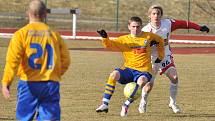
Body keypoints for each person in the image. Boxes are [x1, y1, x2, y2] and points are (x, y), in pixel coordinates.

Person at [1, 0, 70, 120]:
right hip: (50, 83)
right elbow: (66, 60)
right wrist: (55, 74)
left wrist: (6, 82)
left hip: (28, 83)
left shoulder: (20, 34)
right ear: (45, 14)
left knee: (24, 117)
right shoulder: (54, 35)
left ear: (28, 13)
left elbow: (13, 61)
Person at [141, 4, 210, 113]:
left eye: (158, 13)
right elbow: (142, 49)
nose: (156, 16)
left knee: (174, 77)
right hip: (152, 60)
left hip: (165, 57)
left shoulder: (167, 23)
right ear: (149, 16)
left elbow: (184, 24)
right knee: (149, 86)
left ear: (161, 15)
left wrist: (199, 27)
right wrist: (150, 45)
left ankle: (172, 103)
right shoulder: (145, 31)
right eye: (153, 13)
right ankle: (143, 101)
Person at [96, 16, 165, 117]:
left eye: (138, 26)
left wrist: (160, 57)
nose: (136, 29)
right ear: (129, 27)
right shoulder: (124, 39)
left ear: (141, 26)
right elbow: (109, 45)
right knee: (113, 75)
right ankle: (105, 104)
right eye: (133, 26)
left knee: (141, 82)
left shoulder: (149, 37)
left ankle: (126, 105)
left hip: (144, 70)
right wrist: (105, 38)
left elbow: (161, 42)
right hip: (128, 69)